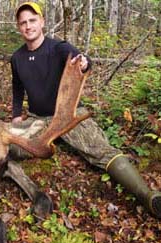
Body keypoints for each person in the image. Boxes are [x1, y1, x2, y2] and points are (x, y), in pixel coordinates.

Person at [10, 2, 161, 217]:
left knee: (100, 150)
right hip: (39, 119)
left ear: (42, 22)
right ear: (19, 27)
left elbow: (82, 60)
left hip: (69, 114)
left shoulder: (58, 47)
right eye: (23, 23)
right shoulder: (17, 58)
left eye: (32, 20)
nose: (28, 26)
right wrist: (16, 115)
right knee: (12, 145)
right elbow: (17, 88)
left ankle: (148, 195)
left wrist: (83, 63)